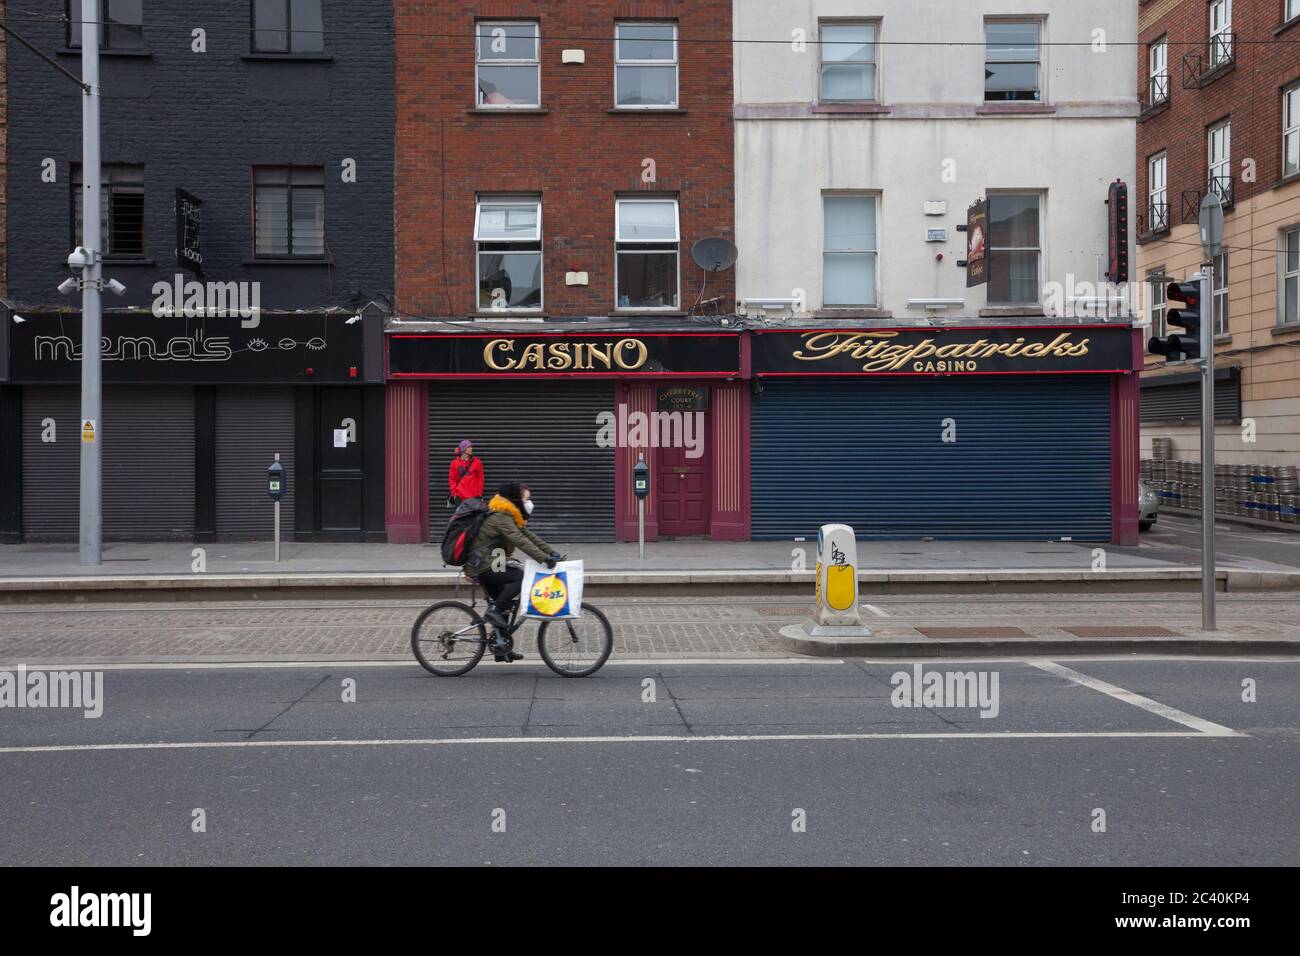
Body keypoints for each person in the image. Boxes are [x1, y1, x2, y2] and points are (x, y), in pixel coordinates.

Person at [462, 482, 562, 662]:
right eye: (527, 499)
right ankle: (494, 611)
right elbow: (520, 541)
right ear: (515, 499)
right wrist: (544, 559)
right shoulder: (501, 516)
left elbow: (528, 536)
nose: (529, 502)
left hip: (493, 562)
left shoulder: (509, 515)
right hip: (483, 565)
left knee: (506, 605)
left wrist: (552, 552)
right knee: (522, 578)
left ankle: (502, 648)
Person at [447, 440, 483, 508]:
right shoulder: (454, 463)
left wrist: (479, 494)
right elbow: (452, 479)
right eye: (468, 447)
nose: (471, 448)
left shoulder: (477, 462)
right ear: (463, 449)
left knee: (472, 518)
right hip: (459, 497)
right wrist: (454, 494)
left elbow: (480, 479)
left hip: (473, 497)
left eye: (471, 447)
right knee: (461, 517)